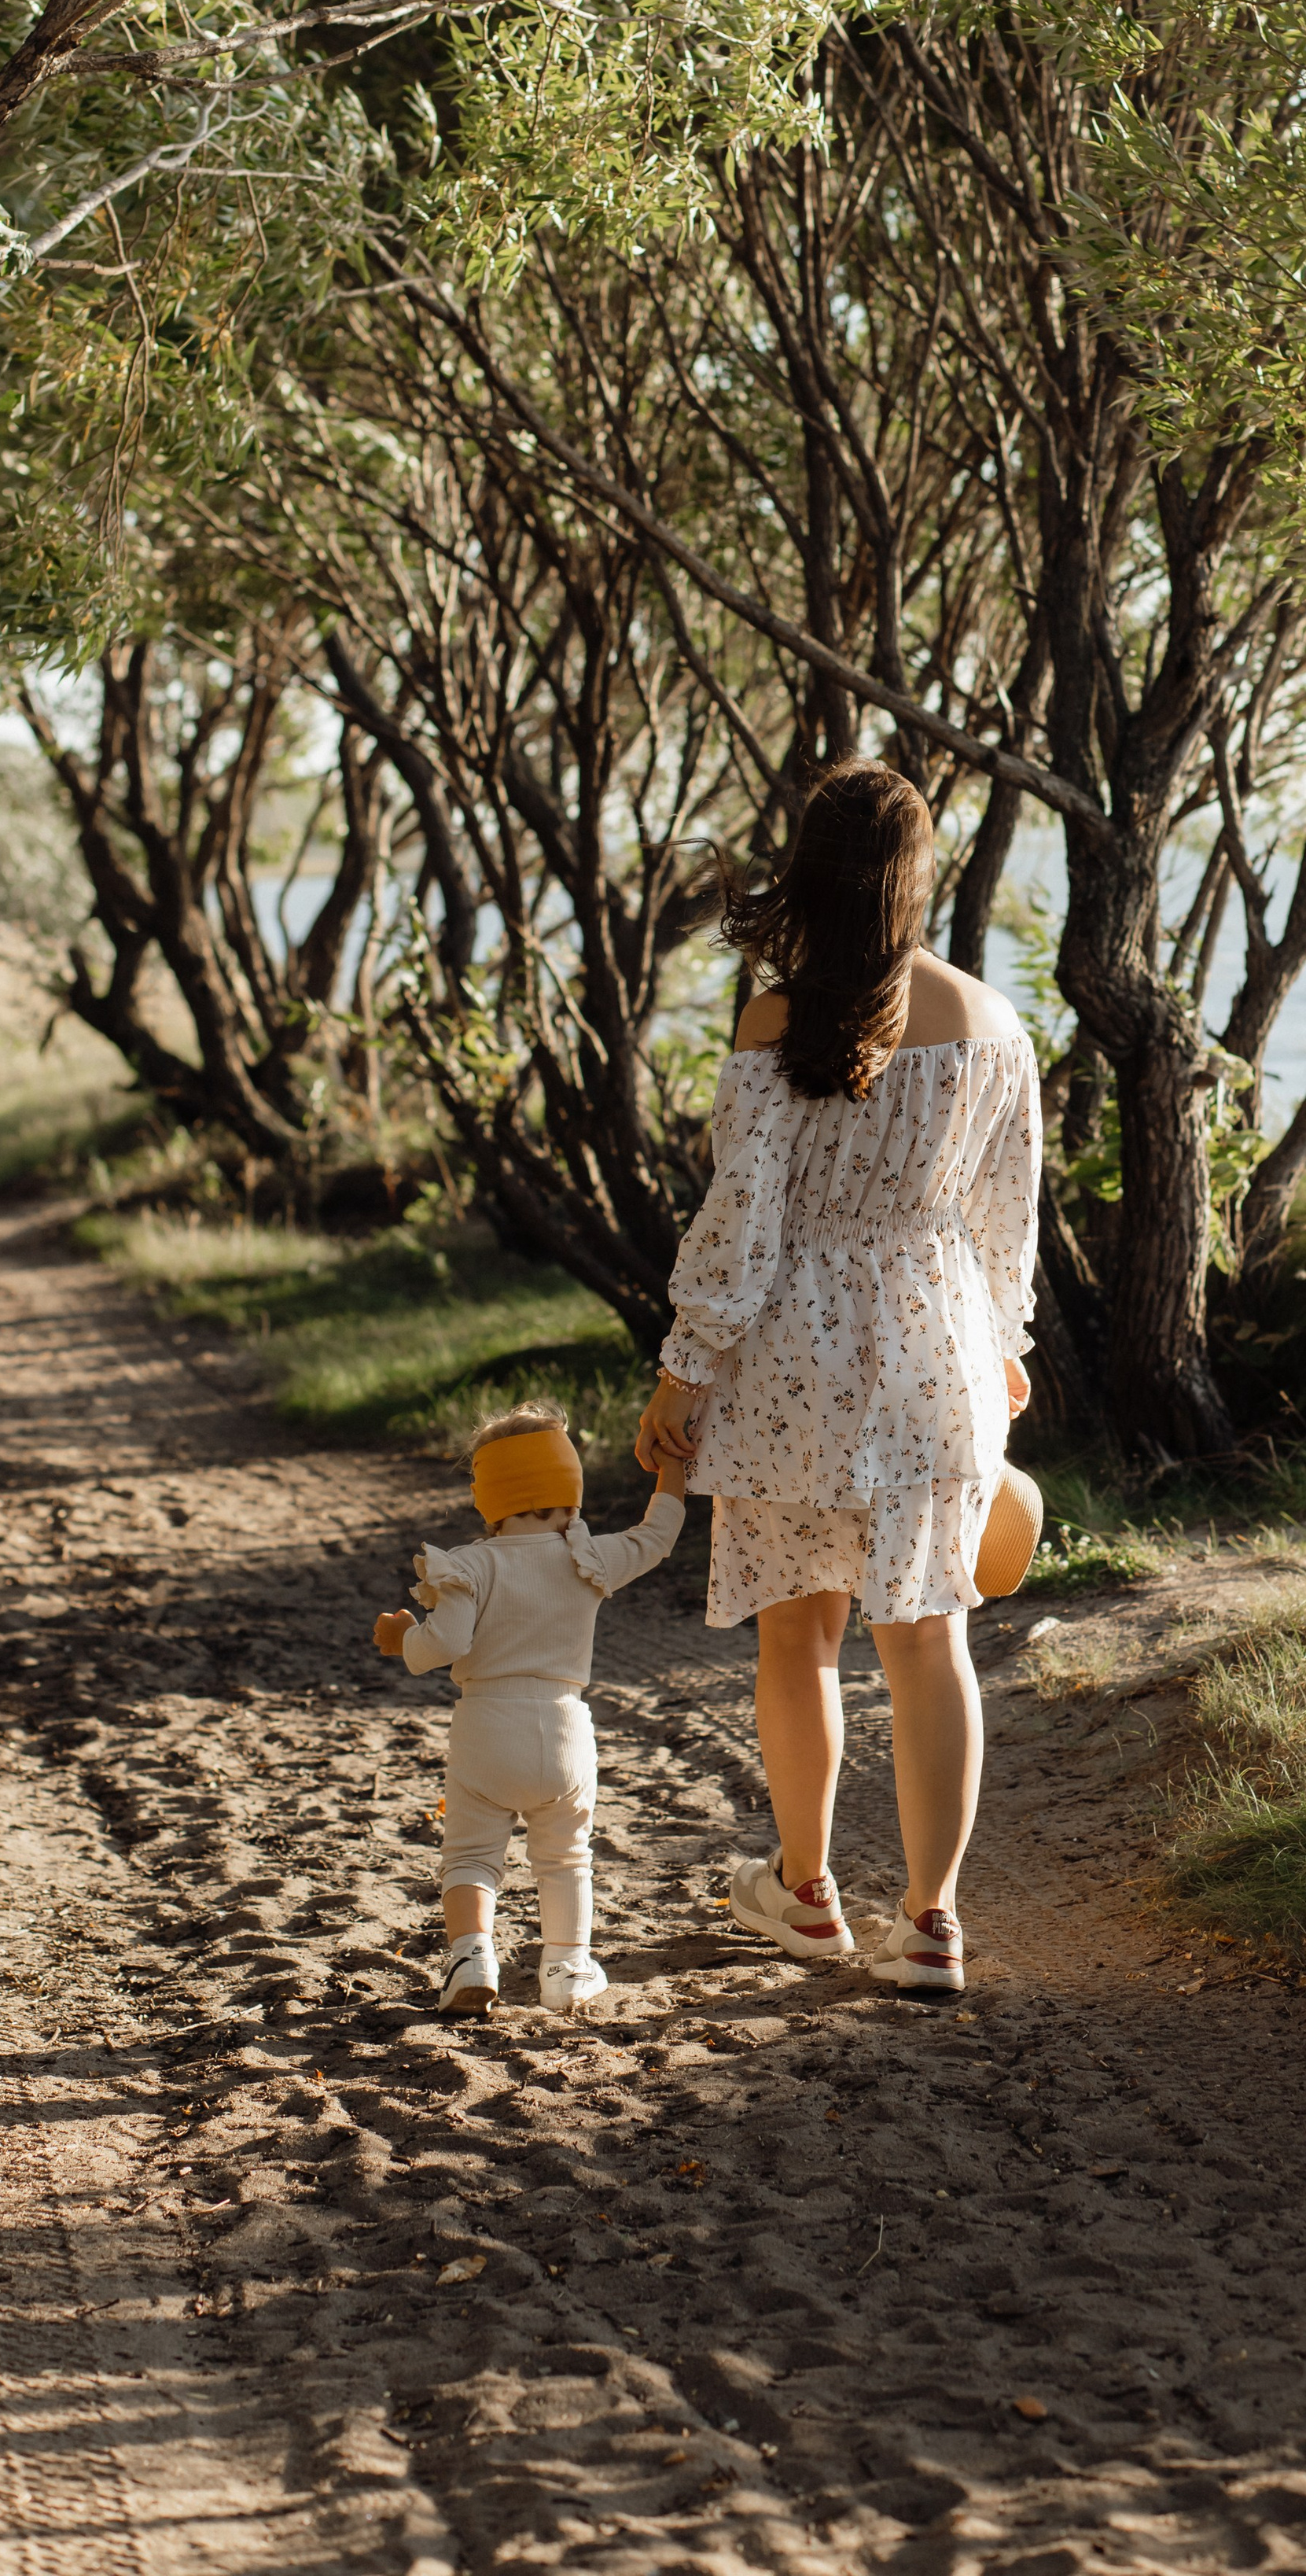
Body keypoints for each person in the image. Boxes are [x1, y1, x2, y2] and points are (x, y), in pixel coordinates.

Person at [638, 761, 1039, 2001]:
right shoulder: (992, 1021)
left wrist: (683, 1371)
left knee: (798, 1637)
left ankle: (806, 1894)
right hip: (937, 1354)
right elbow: (1003, 1221)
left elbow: (743, 1225)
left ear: (808, 871)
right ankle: (933, 1924)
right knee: (931, 1643)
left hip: (794, 1359)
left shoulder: (777, 1020)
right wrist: (1006, 1351)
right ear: (921, 877)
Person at [372, 1399, 691, 2017]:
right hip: (566, 1726)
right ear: (569, 1492)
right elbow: (658, 1536)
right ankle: (568, 1967)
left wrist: (403, 1638)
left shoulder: (469, 1566)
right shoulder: (589, 1557)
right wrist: (671, 1467)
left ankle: (471, 1956)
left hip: (486, 1726)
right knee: (567, 1854)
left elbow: (446, 1644)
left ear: (489, 1497)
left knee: (469, 1854)